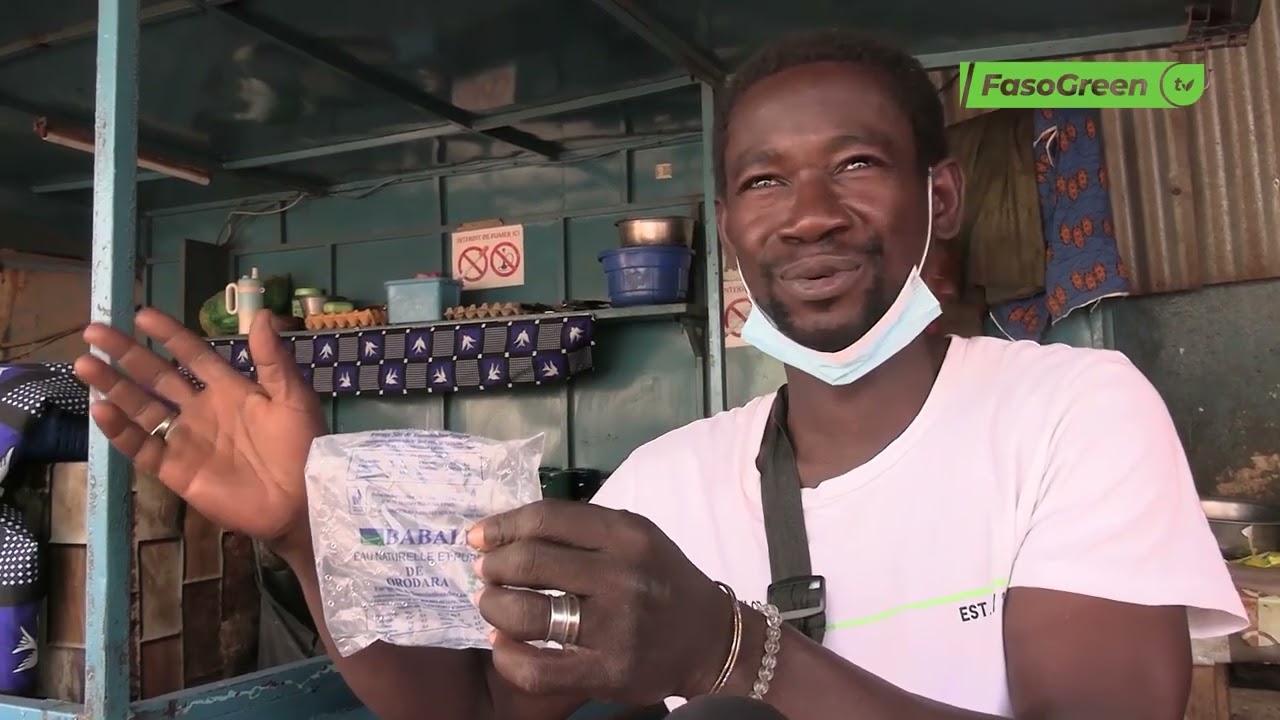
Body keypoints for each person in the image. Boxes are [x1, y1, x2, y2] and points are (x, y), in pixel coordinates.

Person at [73, 29, 1245, 720]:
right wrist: (305, 539)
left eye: (855, 164)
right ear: (729, 225)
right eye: (762, 182)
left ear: (937, 199)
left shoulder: (1066, 413)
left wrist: (741, 653)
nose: (810, 216)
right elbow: (480, 715)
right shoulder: (665, 483)